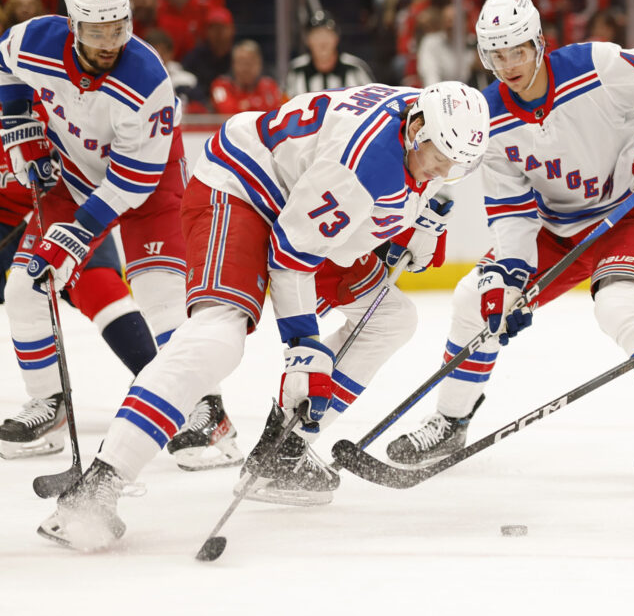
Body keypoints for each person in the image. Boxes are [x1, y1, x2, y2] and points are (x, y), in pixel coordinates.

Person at [37, 80, 491, 550]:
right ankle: (98, 485)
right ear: (416, 128)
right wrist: (302, 351)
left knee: (392, 318)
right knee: (218, 336)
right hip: (245, 190)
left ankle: (281, 456)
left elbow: (388, 193)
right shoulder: (364, 165)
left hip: (305, 203)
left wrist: (415, 218)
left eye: (457, 164)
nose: (445, 168)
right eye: (438, 156)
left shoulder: (432, 117)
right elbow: (293, 254)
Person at [388, 0, 634, 495]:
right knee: (471, 300)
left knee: (622, 307)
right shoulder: (488, 117)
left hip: (631, 213)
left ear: (538, 44)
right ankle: (451, 422)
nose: (508, 65)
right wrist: (509, 279)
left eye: (517, 51)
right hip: (554, 230)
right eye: (496, 55)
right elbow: (511, 209)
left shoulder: (594, 65)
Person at [0, 0, 241, 472]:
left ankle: (208, 412)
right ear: (73, 25)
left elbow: (132, 180)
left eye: (118, 28)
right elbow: (5, 64)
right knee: (25, 287)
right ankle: (50, 406)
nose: (109, 42)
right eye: (97, 31)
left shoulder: (146, 77)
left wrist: (79, 232)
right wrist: (20, 123)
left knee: (163, 301)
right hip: (71, 175)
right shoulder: (36, 40)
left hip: (147, 186)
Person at [0, 153, 162, 458]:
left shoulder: (44, 106)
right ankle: (48, 400)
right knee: (21, 295)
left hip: (63, 208)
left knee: (99, 287)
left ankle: (164, 390)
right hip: (6, 217)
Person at [285, 9, 374, 96]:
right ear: (307, 40)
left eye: (327, 35)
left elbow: (376, 102)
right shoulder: (296, 71)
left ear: (336, 38)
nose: (323, 42)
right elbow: (284, 104)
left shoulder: (355, 69)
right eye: (317, 36)